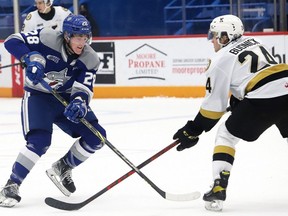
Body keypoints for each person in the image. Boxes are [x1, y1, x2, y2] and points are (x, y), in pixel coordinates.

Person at [173, 14, 288, 211]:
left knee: (226, 135)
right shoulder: (254, 41)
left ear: (225, 36)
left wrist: (194, 128)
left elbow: (213, 108)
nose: (212, 40)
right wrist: (240, 99)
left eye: (215, 35)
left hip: (265, 95)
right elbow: (256, 74)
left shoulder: (219, 60)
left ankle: (218, 187)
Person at [0, 14, 106, 207]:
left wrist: (79, 102)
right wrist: (29, 56)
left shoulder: (90, 59)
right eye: (78, 37)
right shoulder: (47, 37)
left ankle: (63, 167)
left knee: (96, 137)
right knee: (39, 141)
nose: (82, 42)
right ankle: (11, 185)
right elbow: (12, 41)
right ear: (66, 35)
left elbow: (84, 87)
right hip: (38, 96)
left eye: (85, 37)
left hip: (65, 99)